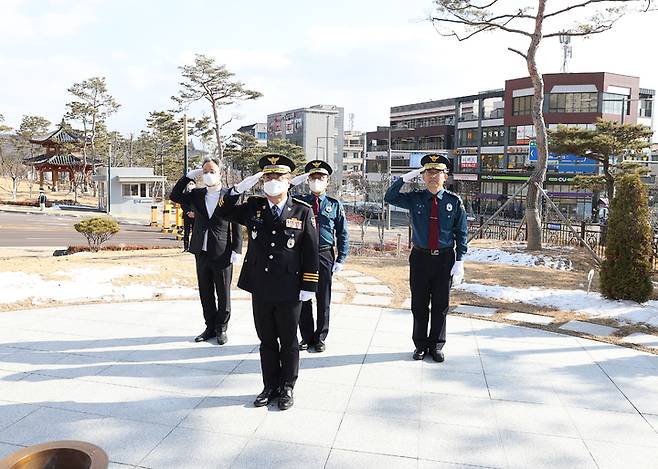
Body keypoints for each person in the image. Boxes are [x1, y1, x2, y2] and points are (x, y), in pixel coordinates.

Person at [215, 154, 319, 410]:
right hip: (260, 286)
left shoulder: (302, 211)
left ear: (289, 181)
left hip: (290, 287)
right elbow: (223, 211)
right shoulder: (254, 206)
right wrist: (237, 189)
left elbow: (311, 251)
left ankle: (287, 387)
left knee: (289, 339)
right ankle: (269, 385)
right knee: (267, 339)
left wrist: (309, 286)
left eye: (279, 177)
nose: (273, 181)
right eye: (268, 177)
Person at [384, 154, 468, 363]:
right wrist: (404, 178)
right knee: (419, 304)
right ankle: (420, 345)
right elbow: (390, 197)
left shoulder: (453, 201)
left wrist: (460, 261)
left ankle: (437, 345)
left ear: (445, 176)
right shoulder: (415, 198)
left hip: (444, 259)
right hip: (420, 258)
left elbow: (461, 233)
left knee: (441, 305)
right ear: (422, 176)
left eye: (437, 173)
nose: (432, 177)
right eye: (428, 172)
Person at [169, 157, 243, 345]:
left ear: (221, 173)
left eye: (212, 171)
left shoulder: (229, 195)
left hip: (222, 251)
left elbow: (236, 224)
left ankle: (221, 328)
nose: (209, 175)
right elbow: (175, 196)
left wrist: (237, 248)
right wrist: (187, 177)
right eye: (205, 172)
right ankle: (209, 327)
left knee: (223, 293)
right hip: (201, 251)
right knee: (205, 292)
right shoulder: (197, 194)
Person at [291, 160, 348, 353]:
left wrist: (341, 258)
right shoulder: (298, 202)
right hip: (302, 255)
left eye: (320, 177)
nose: (317, 180)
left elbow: (342, 233)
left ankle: (321, 337)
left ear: (327, 181)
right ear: (307, 180)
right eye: (313, 177)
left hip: (324, 254)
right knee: (304, 296)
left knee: (323, 298)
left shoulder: (334, 204)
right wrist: (295, 179)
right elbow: (282, 191)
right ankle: (306, 337)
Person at [182, 181, 196, 252]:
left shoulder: (197, 195)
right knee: (186, 232)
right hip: (186, 216)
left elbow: (198, 205)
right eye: (190, 184)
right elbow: (183, 205)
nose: (191, 185)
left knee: (195, 232)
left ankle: (193, 247)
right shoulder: (184, 195)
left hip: (195, 216)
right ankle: (186, 247)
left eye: (192, 184)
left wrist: (194, 213)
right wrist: (188, 212)